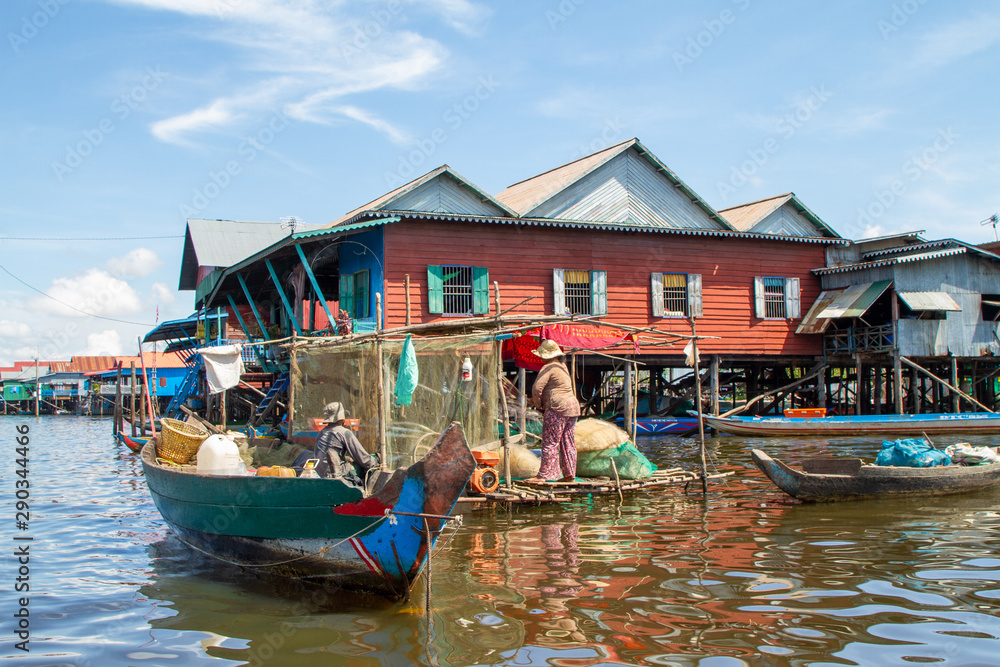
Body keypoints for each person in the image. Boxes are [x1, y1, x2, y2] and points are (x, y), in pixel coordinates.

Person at [526, 340, 580, 483]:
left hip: (558, 407)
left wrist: (538, 404)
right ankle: (569, 475)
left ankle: (544, 475)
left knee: (550, 442)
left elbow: (537, 389)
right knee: (568, 442)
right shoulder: (563, 367)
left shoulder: (548, 367)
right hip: (573, 407)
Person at [312, 401, 378, 488]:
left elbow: (326, 453)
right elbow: (363, 459)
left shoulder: (321, 433)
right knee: (372, 459)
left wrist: (346, 458)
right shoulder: (344, 433)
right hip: (337, 473)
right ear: (342, 419)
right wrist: (377, 461)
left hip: (321, 473)